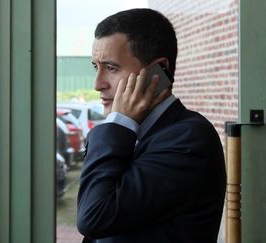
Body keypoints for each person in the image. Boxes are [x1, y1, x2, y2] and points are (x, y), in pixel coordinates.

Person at [76, 8, 226, 243]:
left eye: (112, 68)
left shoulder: (188, 140)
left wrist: (119, 122)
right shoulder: (133, 132)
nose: (98, 84)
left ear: (158, 71)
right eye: (97, 67)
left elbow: (93, 216)